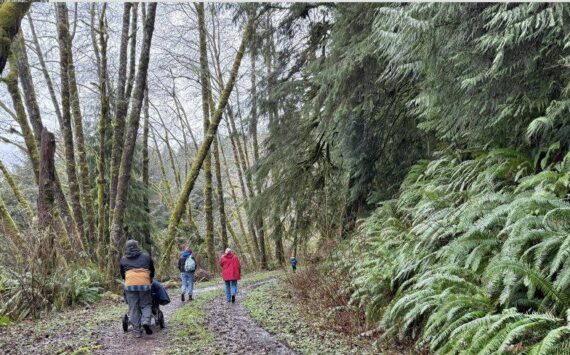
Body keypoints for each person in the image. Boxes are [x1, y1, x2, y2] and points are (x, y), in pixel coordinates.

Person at [120, 239, 155, 338]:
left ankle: (136, 331)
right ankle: (145, 321)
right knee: (146, 304)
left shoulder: (123, 259)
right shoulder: (146, 256)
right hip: (144, 282)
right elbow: (152, 270)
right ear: (137, 246)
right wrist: (150, 279)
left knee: (133, 307)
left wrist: (127, 279)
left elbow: (122, 273)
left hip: (130, 283)